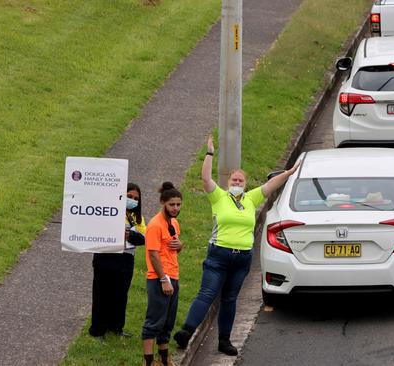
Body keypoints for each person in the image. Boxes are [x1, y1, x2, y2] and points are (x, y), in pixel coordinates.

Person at [173, 135, 301, 355]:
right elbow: (205, 179)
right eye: (234, 181)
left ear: (246, 184)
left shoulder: (251, 199)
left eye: (241, 181)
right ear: (228, 183)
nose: (237, 184)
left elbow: (271, 185)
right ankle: (186, 332)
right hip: (218, 255)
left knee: (230, 298)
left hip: (241, 258)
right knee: (207, 293)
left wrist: (288, 173)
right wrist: (210, 153)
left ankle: (224, 341)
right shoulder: (219, 197)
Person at [89, 182, 146, 338]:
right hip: (106, 258)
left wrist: (130, 235)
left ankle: (116, 328)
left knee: (120, 296)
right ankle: (97, 330)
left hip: (126, 261)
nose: (132, 200)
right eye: (129, 197)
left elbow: (143, 238)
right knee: (101, 295)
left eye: (136, 198)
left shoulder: (139, 218)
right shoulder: (109, 211)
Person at [141, 182, 184, 366]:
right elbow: (153, 254)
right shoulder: (155, 225)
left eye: (178, 204)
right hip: (159, 279)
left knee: (168, 322)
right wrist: (163, 279)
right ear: (162, 203)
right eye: (171, 204)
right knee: (154, 321)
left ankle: (165, 359)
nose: (175, 208)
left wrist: (180, 246)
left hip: (173, 276)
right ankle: (149, 362)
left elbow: (172, 249)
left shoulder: (173, 223)